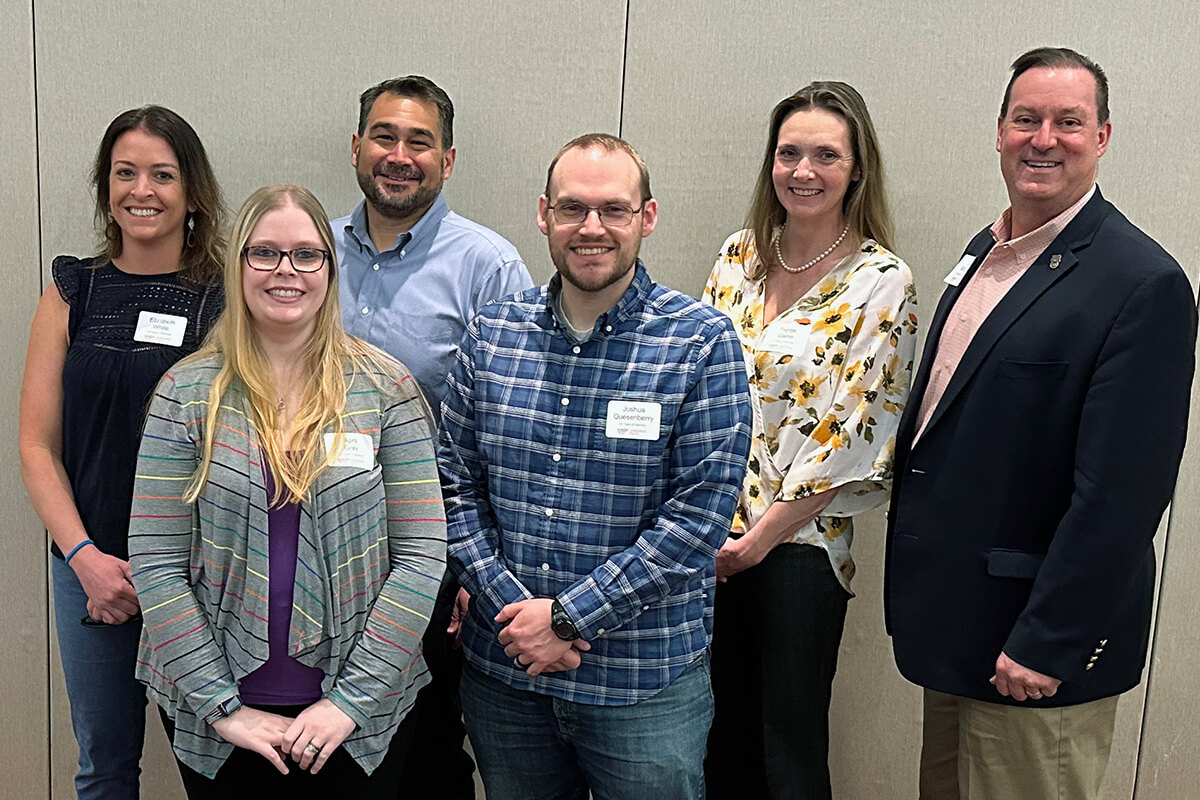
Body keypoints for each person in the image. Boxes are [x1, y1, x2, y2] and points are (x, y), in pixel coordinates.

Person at [885, 47, 1197, 800]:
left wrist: (1050, 639)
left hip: (1034, 650)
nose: (1043, 138)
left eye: (1068, 122)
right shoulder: (984, 252)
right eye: (1026, 119)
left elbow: (1121, 497)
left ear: (1103, 137)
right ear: (999, 131)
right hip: (961, 631)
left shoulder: (1140, 283)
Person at [438, 133, 752, 800]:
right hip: (507, 679)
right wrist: (515, 612)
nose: (592, 228)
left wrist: (567, 619)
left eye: (613, 209)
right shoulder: (492, 333)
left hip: (642, 687)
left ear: (648, 216)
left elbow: (700, 518)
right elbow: (453, 485)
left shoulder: (701, 342)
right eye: (573, 208)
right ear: (544, 214)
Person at [127, 185, 446, 798]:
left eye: (306, 254)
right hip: (216, 712)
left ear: (329, 267)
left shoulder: (386, 389)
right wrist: (223, 707)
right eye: (264, 253)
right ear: (238, 264)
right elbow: (157, 563)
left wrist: (350, 703)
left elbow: (421, 556)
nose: (285, 271)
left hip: (359, 713)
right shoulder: (185, 394)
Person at [702, 81, 918, 799]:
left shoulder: (881, 281)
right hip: (706, 539)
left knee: (784, 752)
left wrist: (758, 540)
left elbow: (855, 431)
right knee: (713, 740)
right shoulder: (739, 257)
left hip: (797, 547)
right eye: (789, 152)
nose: (804, 170)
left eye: (826, 155)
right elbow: (696, 392)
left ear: (857, 168)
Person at [18, 105, 225, 800]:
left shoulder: (226, 303)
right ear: (106, 186)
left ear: (192, 192)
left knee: (218, 765)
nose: (143, 189)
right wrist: (85, 560)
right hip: (89, 568)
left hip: (200, 579)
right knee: (103, 770)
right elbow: (37, 445)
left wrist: (178, 576)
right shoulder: (71, 291)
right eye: (125, 172)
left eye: (163, 175)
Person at [333, 75, 532, 795]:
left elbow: (513, 435)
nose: (399, 154)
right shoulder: (309, 257)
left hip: (435, 553)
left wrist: (481, 571)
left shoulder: (489, 267)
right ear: (356, 148)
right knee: (336, 741)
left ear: (447, 161)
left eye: (420, 141)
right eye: (384, 136)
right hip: (322, 550)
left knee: (428, 747)